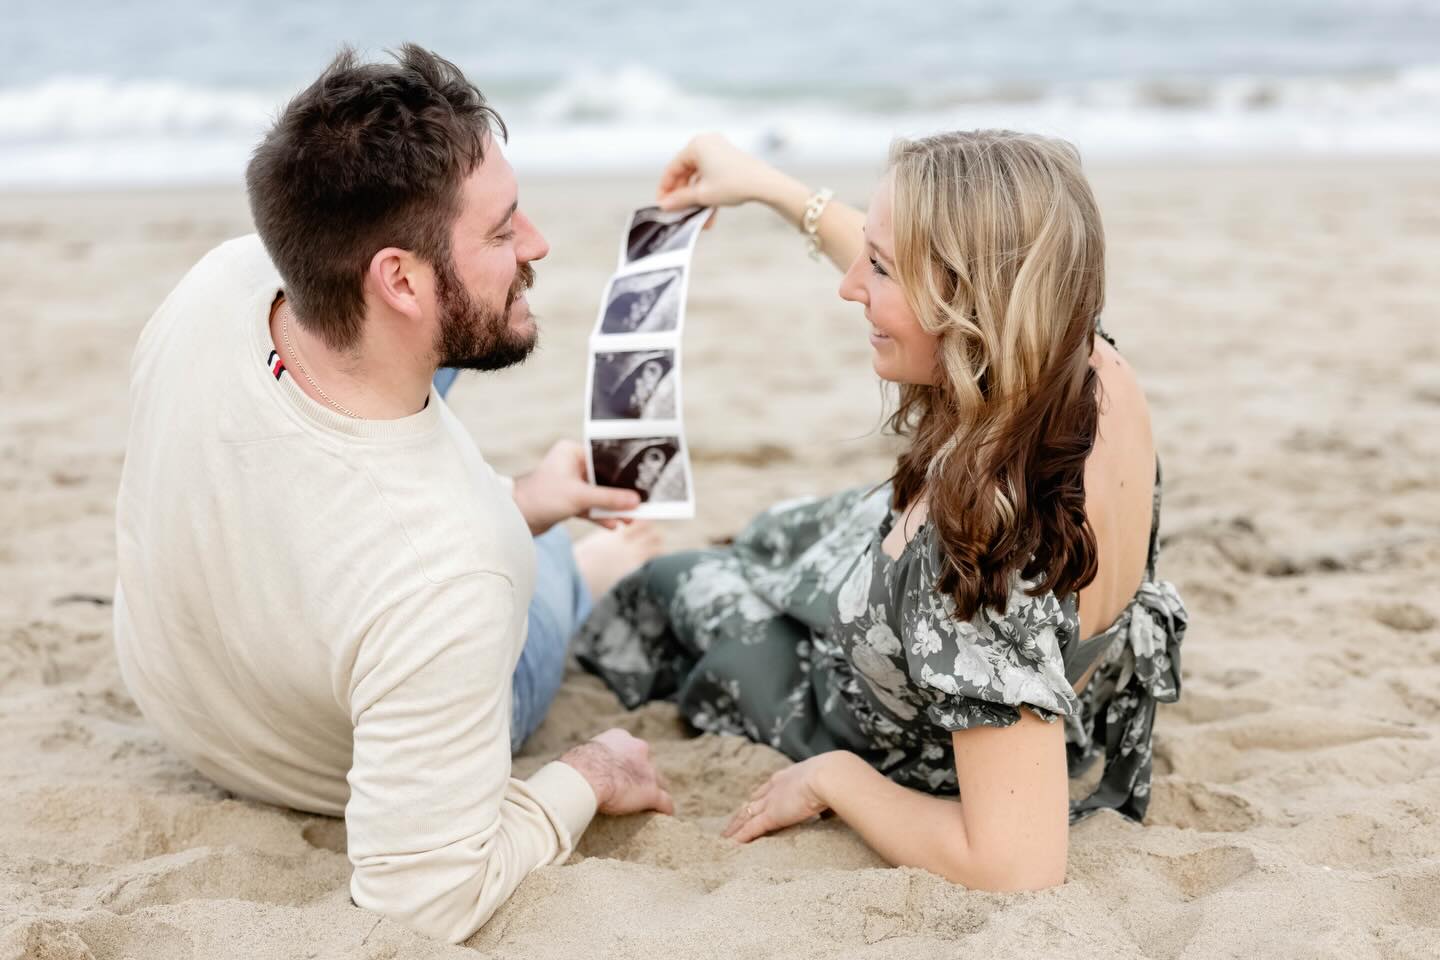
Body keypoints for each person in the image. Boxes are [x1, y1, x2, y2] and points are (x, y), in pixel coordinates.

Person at [112, 46, 674, 945]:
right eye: (503, 233)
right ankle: (586, 563)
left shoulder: (221, 279)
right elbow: (422, 903)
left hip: (178, 691)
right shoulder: (459, 571)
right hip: (308, 753)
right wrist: (593, 772)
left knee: (439, 376)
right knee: (535, 574)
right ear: (400, 279)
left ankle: (535, 497)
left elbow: (371, 546)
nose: (537, 245)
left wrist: (518, 495)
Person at [574, 131, 1189, 890]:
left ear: (969, 300)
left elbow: (1018, 865)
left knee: (676, 584)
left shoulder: (982, 545)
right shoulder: (1088, 364)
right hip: (1005, 679)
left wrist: (834, 780)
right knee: (780, 531)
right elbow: (925, 257)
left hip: (896, 726)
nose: (850, 286)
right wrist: (767, 186)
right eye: (867, 253)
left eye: (882, 268)